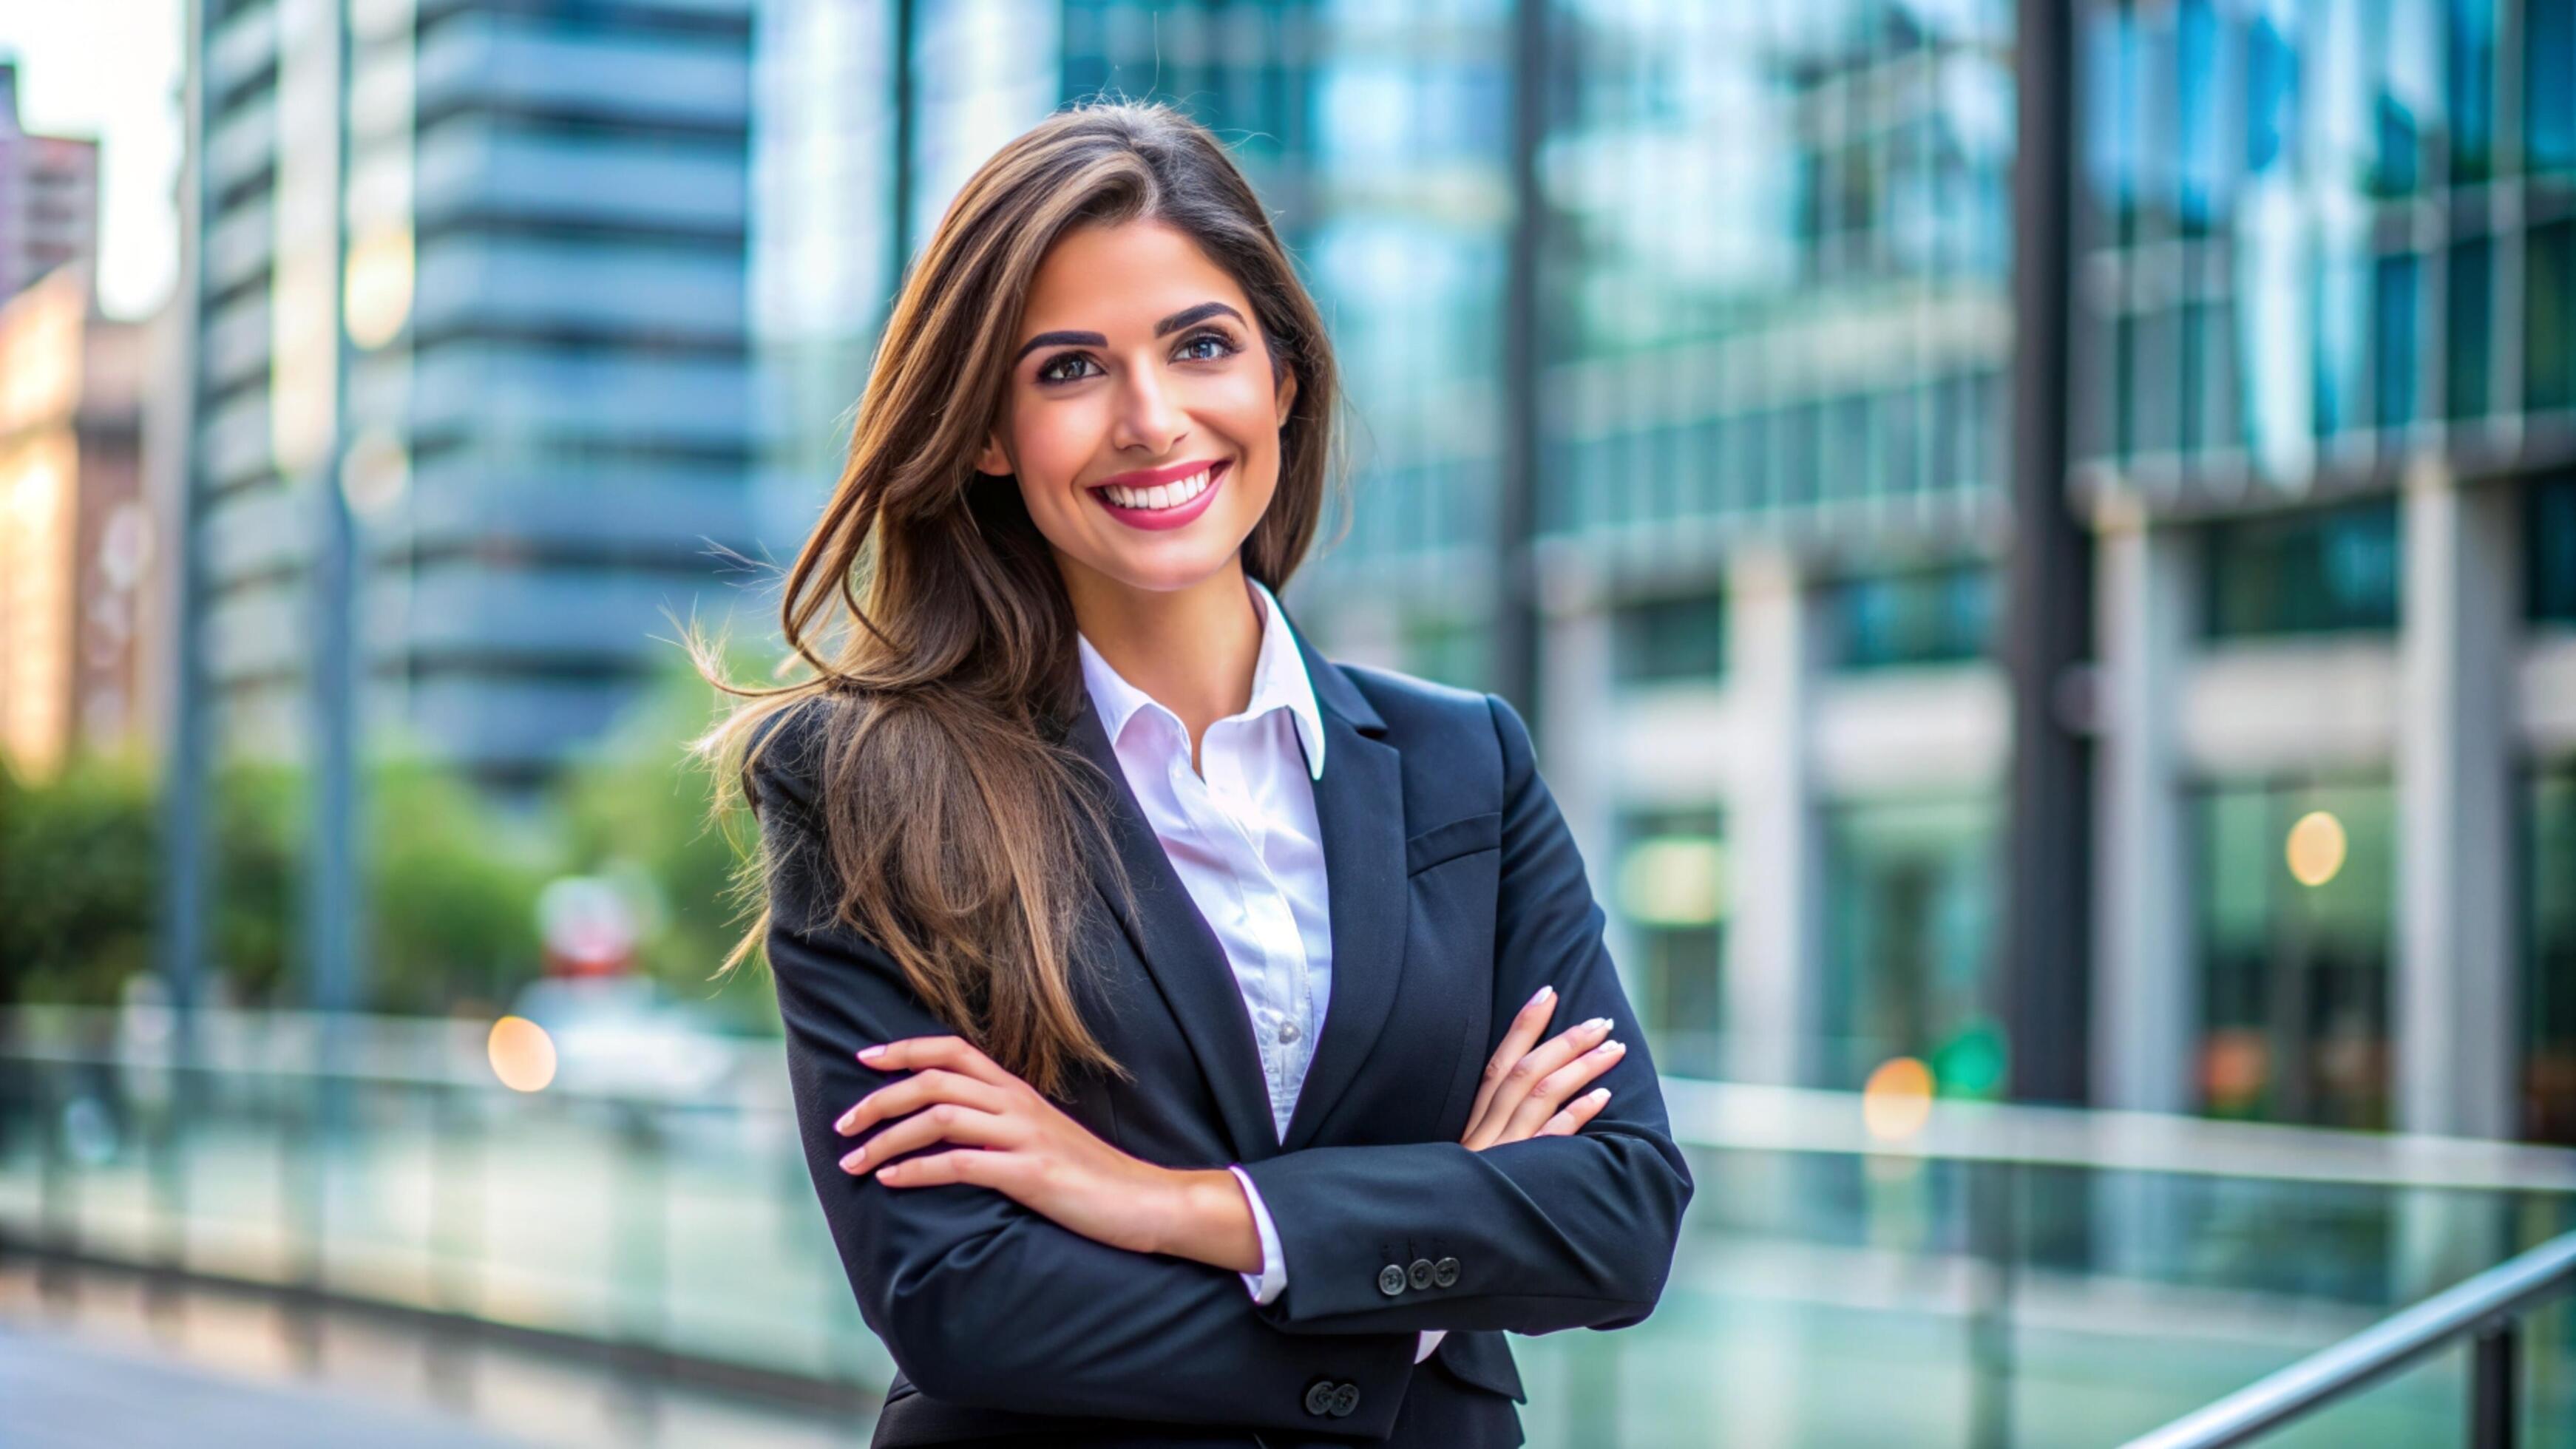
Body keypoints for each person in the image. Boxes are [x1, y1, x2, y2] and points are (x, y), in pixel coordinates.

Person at [697, 100, 1692, 1448]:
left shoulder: (1470, 766)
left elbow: (1620, 1216)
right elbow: (960, 1298)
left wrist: (1157, 1202)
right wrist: (1439, 1247)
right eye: (1067, 370)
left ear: (1281, 376)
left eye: (1201, 345)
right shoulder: (862, 784)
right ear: (988, 432)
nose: (1151, 420)